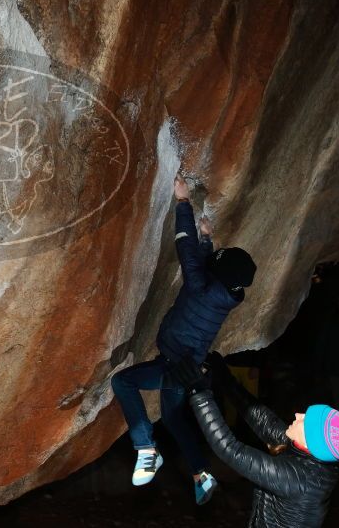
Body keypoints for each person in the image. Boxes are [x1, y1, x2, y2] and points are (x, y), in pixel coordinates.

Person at [110, 174, 257, 505]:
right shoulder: (223, 294)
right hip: (187, 363)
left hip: (175, 364)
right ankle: (202, 475)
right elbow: (204, 264)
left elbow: (185, 248)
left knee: (123, 383)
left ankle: (146, 448)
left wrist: (182, 201)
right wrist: (209, 241)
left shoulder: (200, 287)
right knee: (174, 417)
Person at [173, 352, 339, 527]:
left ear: (313, 442)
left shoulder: (299, 479)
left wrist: (198, 393)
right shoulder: (310, 455)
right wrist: (225, 378)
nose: (298, 415)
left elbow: (231, 450)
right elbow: (262, 419)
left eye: (305, 420)